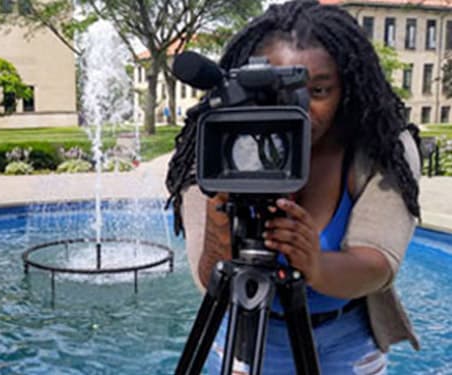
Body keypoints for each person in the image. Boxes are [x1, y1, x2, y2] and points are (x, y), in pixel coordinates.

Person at [165, 1, 421, 373]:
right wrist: (220, 214)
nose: (298, 108)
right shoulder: (213, 147)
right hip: (248, 338)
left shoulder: (379, 148)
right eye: (275, 90)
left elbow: (378, 267)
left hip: (343, 342)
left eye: (317, 91)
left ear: (346, 89)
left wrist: (315, 264)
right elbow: (211, 280)